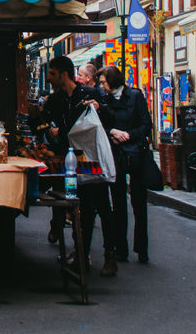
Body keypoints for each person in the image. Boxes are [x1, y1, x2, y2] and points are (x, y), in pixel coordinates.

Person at [45, 56, 116, 276]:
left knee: (102, 205)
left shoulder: (89, 94)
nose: (48, 78)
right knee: (79, 205)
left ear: (64, 74)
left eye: (52, 74)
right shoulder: (55, 100)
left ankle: (109, 255)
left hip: (90, 158)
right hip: (71, 160)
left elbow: (111, 118)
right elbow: (46, 123)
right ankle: (81, 253)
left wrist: (99, 108)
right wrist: (51, 131)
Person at [97, 65, 153, 263]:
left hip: (136, 153)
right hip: (116, 154)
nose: (101, 86)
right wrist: (113, 131)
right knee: (118, 203)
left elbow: (147, 124)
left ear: (112, 80)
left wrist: (129, 134)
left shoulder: (135, 96)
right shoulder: (105, 100)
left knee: (139, 203)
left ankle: (142, 249)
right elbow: (101, 126)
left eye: (103, 82)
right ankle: (121, 248)